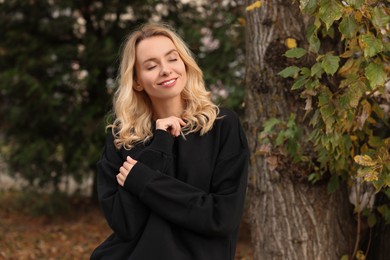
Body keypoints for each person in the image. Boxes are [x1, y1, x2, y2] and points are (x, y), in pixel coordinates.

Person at [90, 22, 249, 260]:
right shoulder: (123, 138)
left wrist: (143, 180)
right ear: (137, 81)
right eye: (151, 66)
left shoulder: (221, 125)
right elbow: (125, 224)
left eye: (172, 59)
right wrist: (159, 146)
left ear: (184, 63)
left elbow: (221, 217)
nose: (165, 70)